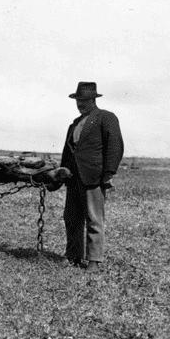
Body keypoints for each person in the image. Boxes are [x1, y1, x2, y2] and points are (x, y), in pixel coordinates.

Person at [57, 82, 124, 273]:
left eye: (85, 100)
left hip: (93, 177)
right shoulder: (75, 123)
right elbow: (67, 152)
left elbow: (115, 145)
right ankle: (73, 256)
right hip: (73, 178)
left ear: (94, 100)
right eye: (78, 100)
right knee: (71, 218)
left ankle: (94, 260)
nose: (81, 104)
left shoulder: (106, 118)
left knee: (94, 219)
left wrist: (109, 173)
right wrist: (63, 173)